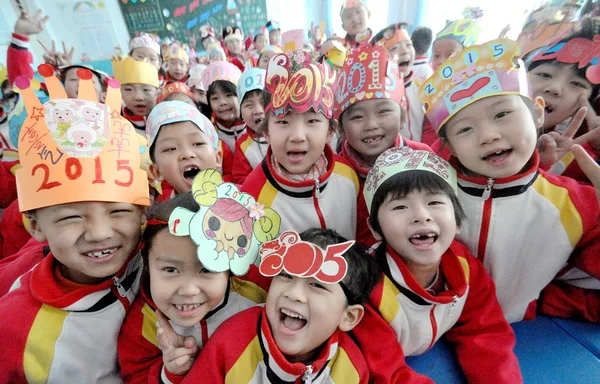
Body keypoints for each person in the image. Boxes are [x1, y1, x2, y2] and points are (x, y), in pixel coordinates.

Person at [418, 38, 600, 322]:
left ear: (537, 112)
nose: (488, 135)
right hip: (427, 328)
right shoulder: (427, 192)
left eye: (502, 114)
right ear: (450, 145)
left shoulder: (577, 204)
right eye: (465, 128)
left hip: (518, 335)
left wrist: (542, 301)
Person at [0, 69, 150, 382]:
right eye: (71, 216)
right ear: (35, 226)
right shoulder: (14, 329)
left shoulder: (162, 259)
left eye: (119, 210)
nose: (99, 232)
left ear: (142, 214)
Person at [361, 146, 522, 383]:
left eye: (434, 202)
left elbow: (486, 334)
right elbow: (385, 372)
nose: (421, 215)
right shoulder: (367, 288)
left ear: (457, 220)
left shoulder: (465, 267)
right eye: (400, 207)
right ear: (375, 229)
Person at [118, 170, 280, 383]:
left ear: (230, 267)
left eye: (207, 269)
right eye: (170, 270)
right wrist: (169, 374)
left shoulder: (259, 298)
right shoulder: (142, 323)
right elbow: (134, 377)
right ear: (146, 264)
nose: (188, 290)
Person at [181, 228, 380, 383]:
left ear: (349, 317)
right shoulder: (230, 342)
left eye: (317, 285)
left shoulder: (351, 368)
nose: (293, 293)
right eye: (285, 276)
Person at [241, 51, 359, 240]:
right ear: (266, 132)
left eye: (312, 121)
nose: (297, 136)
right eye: (283, 122)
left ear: (330, 131)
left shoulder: (348, 175)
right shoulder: (252, 194)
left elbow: (364, 236)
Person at [334, 44, 431, 247]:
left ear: (402, 115)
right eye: (357, 116)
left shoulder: (423, 158)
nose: (371, 125)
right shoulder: (335, 175)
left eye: (383, 111)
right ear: (341, 126)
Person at [526, 19, 600, 184]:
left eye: (576, 84)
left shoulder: (576, 157)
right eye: (545, 75)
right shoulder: (467, 125)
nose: (555, 88)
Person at [372, 23, 437, 145]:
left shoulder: (423, 88)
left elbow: (430, 126)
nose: (404, 51)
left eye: (408, 45)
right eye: (394, 48)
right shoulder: (376, 95)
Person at [146, 100, 223, 201]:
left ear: (217, 158)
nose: (187, 154)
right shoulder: (161, 215)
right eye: (171, 149)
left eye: (198, 143)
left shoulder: (246, 202)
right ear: (157, 172)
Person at [232, 68, 268, 185]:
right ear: (241, 112)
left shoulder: (288, 133)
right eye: (248, 105)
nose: (258, 110)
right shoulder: (243, 145)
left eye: (263, 102)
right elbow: (242, 180)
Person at [112, 55, 160, 136]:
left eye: (146, 90)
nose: (139, 97)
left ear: (157, 93)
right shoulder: (114, 121)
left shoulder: (166, 119)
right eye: (128, 89)